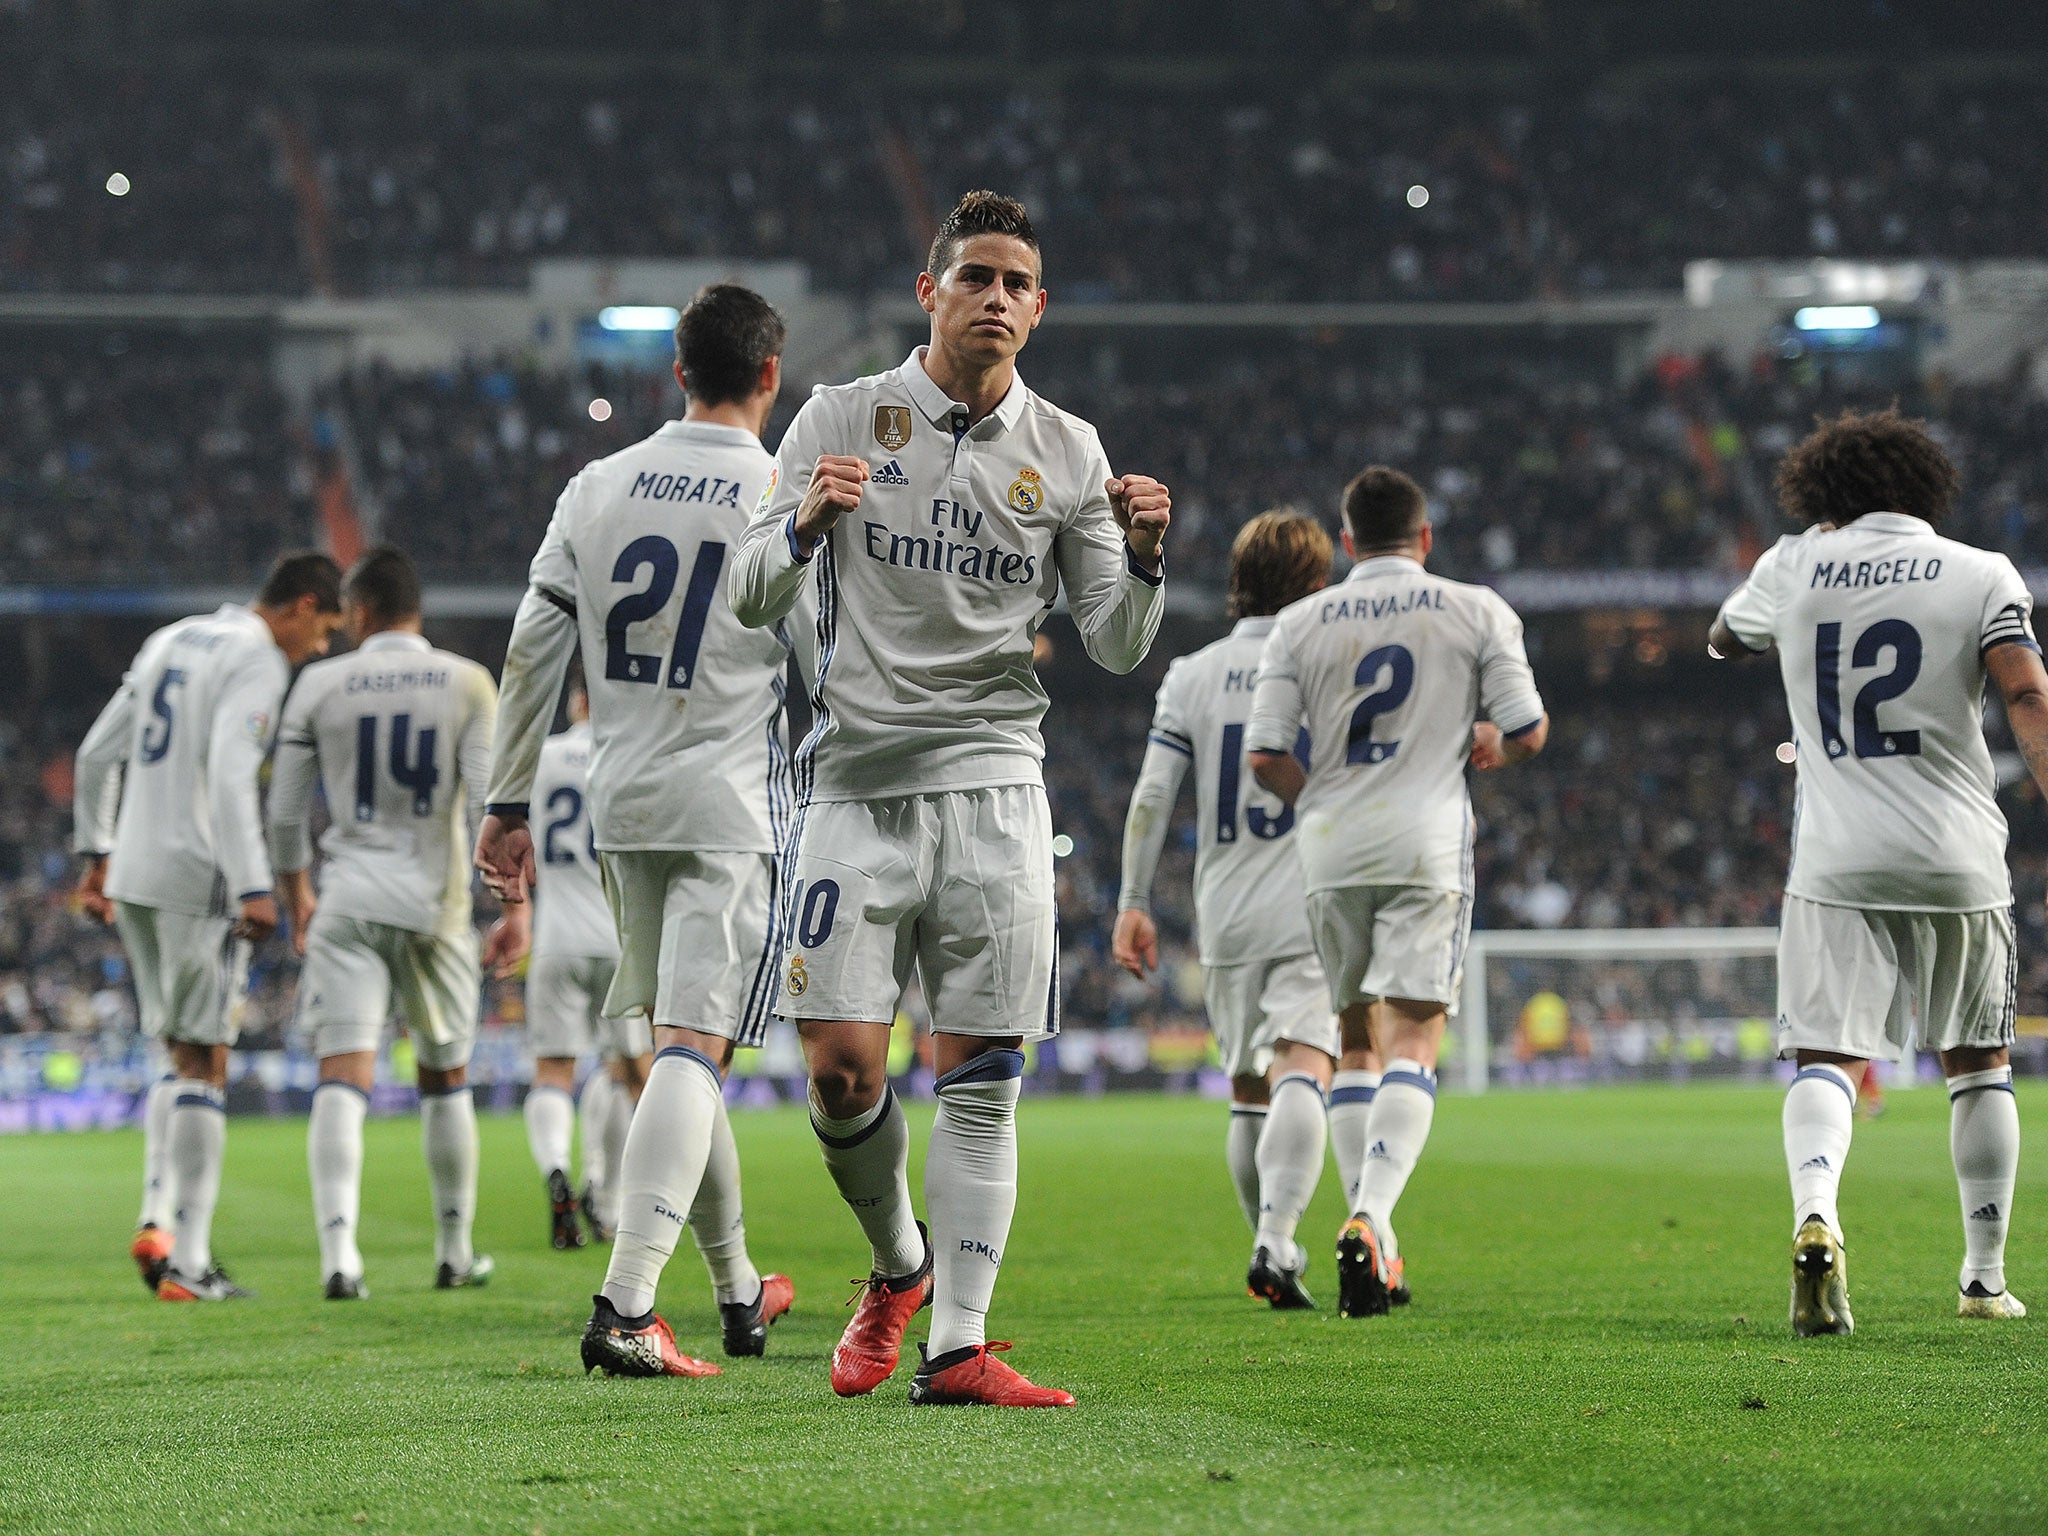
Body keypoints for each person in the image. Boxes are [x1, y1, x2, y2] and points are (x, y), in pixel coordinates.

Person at [731, 189, 1170, 1407]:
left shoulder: (1069, 452)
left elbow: (1118, 644)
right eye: (971, 275)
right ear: (928, 293)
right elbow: (746, 596)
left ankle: (959, 1346)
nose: (993, 297)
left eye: (1013, 282)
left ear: (1039, 308)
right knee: (839, 1073)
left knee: (979, 1072)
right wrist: (806, 526)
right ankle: (898, 1267)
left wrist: (1141, 556)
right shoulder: (837, 415)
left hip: (993, 790)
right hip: (853, 787)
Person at [476, 283, 801, 1378]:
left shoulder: (596, 484)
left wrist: (507, 802)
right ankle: (624, 1304)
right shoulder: (779, 490)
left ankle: (736, 1288)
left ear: (677, 372)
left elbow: (531, 651)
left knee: (678, 1049)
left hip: (619, 806)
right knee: (689, 1052)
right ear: (769, 376)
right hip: (727, 803)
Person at [1710, 406, 2043, 1332]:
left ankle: (1817, 1216)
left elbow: (1721, 641)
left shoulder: (1794, 562)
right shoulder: (1982, 573)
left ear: (1822, 492)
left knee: (1826, 1057)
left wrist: (1808, 563)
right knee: (1979, 1065)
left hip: (1836, 861)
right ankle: (1983, 1280)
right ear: (1927, 486)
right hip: (1957, 858)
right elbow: (2023, 689)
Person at [1247, 466, 1546, 1318]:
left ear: (1346, 543)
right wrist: (1488, 739)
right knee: (1415, 1038)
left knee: (1353, 1040)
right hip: (1425, 841)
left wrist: (1328, 806)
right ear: (1424, 539)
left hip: (1332, 845)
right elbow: (1527, 730)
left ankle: (1365, 1226)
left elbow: (1267, 756)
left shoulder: (1300, 622)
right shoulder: (1475, 607)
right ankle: (1371, 1216)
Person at [72, 552, 345, 1300]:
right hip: (198, 879)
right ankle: (189, 1264)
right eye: (323, 629)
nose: (320, 647)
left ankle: (158, 1217)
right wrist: (257, 886)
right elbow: (230, 773)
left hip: (133, 875)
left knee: (177, 1052)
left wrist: (95, 854)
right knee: (208, 1064)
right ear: (298, 606)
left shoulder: (174, 638)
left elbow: (98, 752)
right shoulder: (258, 659)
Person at [1111, 509, 1353, 1309]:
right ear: (1315, 584)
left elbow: (1151, 797)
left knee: (1249, 1088)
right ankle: (1276, 1240)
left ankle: (1270, 1249)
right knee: (1305, 1067)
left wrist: (1134, 902)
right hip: (1310, 897)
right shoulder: (1329, 661)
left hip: (1226, 910)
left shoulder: (1192, 672)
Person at [269, 545, 510, 1299]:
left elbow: (282, 812)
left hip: (346, 898)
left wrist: (295, 894)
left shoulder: (318, 683)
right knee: (445, 1076)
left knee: (342, 1076)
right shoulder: (466, 681)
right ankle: (454, 1251)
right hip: (431, 905)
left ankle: (340, 1258)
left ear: (362, 611)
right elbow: (487, 801)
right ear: (416, 610)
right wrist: (514, 905)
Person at [520, 678, 645, 1251]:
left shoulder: (542, 757)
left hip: (555, 937)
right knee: (624, 1069)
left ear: (576, 702)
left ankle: (556, 1169)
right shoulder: (633, 752)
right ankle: (609, 1197)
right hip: (618, 937)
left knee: (552, 1072)